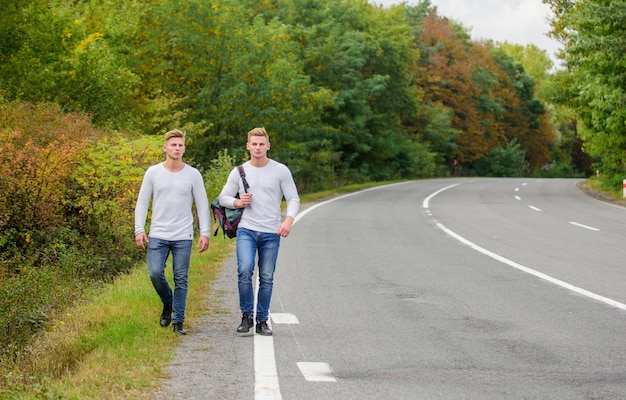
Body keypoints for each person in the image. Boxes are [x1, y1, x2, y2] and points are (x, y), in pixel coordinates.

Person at [218, 127, 300, 336]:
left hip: (271, 232)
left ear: (268, 146)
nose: (257, 147)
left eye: (261, 144)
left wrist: (288, 221)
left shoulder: (280, 170)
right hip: (247, 229)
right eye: (254, 144)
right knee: (244, 270)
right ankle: (247, 316)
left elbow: (293, 198)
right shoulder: (239, 171)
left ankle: (263, 320)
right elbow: (223, 198)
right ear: (248, 146)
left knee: (266, 276)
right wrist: (237, 201)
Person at [134, 129, 210, 335]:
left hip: (183, 235)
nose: (177, 148)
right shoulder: (153, 172)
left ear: (184, 148)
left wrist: (205, 233)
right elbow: (142, 203)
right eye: (174, 145)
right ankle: (168, 303)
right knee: (155, 273)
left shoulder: (193, 174)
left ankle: (178, 321)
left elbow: (202, 205)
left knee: (181, 277)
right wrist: (139, 230)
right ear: (165, 147)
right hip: (158, 234)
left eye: (181, 145)